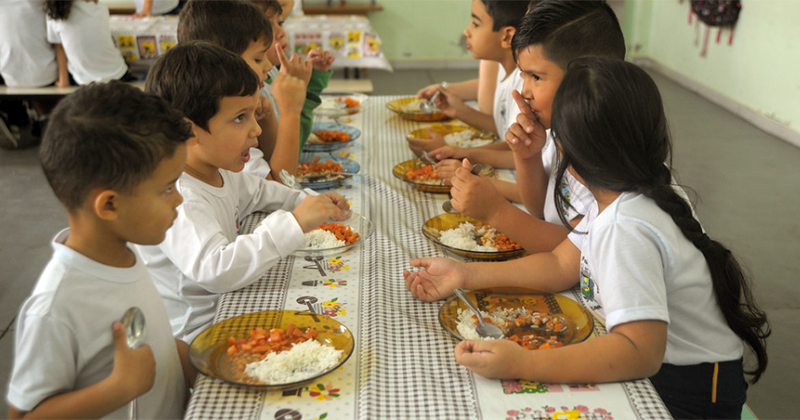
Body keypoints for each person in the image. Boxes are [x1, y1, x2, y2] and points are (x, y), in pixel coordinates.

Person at [405, 57, 770, 420]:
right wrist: (463, 275)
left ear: (566, 146)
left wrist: (525, 362)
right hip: (674, 369)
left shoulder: (625, 225)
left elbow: (638, 352)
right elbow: (562, 263)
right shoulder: (617, 194)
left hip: (688, 391)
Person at [6, 81, 196, 419]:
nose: (179, 199)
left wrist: (189, 362)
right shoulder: (56, 307)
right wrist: (119, 389)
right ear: (109, 205)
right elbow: (22, 416)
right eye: (167, 188)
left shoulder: (125, 253)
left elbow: (151, 340)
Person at [137, 41, 349, 342]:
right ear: (188, 131)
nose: (256, 130)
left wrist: (309, 202)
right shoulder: (179, 197)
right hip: (197, 333)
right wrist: (295, 223)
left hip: (231, 305)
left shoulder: (218, 170)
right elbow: (216, 269)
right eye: (240, 118)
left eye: (252, 115)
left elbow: (261, 192)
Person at [438, 0, 624, 253]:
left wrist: (496, 211)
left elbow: (580, 252)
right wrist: (527, 157)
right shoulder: (559, 131)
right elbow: (541, 209)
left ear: (586, 79)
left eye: (536, 77)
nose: (524, 91)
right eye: (523, 75)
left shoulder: (601, 155)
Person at [177, 0, 306, 182]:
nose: (268, 66)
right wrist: (290, 112)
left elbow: (274, 162)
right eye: (258, 58)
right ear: (227, 61)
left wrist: (267, 118)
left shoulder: (242, 104)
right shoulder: (224, 116)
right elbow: (282, 184)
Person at [251, 0, 336, 153]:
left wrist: (309, 81)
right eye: (267, 27)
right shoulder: (252, 92)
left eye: (280, 22)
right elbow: (284, 157)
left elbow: (296, 139)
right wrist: (298, 90)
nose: (281, 32)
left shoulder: (270, 71)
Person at [0, 0, 58, 149]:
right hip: (48, 75)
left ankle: (15, 118)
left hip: (10, 79)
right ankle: (44, 118)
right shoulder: (44, 4)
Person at [44, 0, 136, 87]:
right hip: (118, 75)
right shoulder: (100, 9)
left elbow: (59, 47)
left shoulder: (55, 15)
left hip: (82, 82)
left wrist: (63, 81)